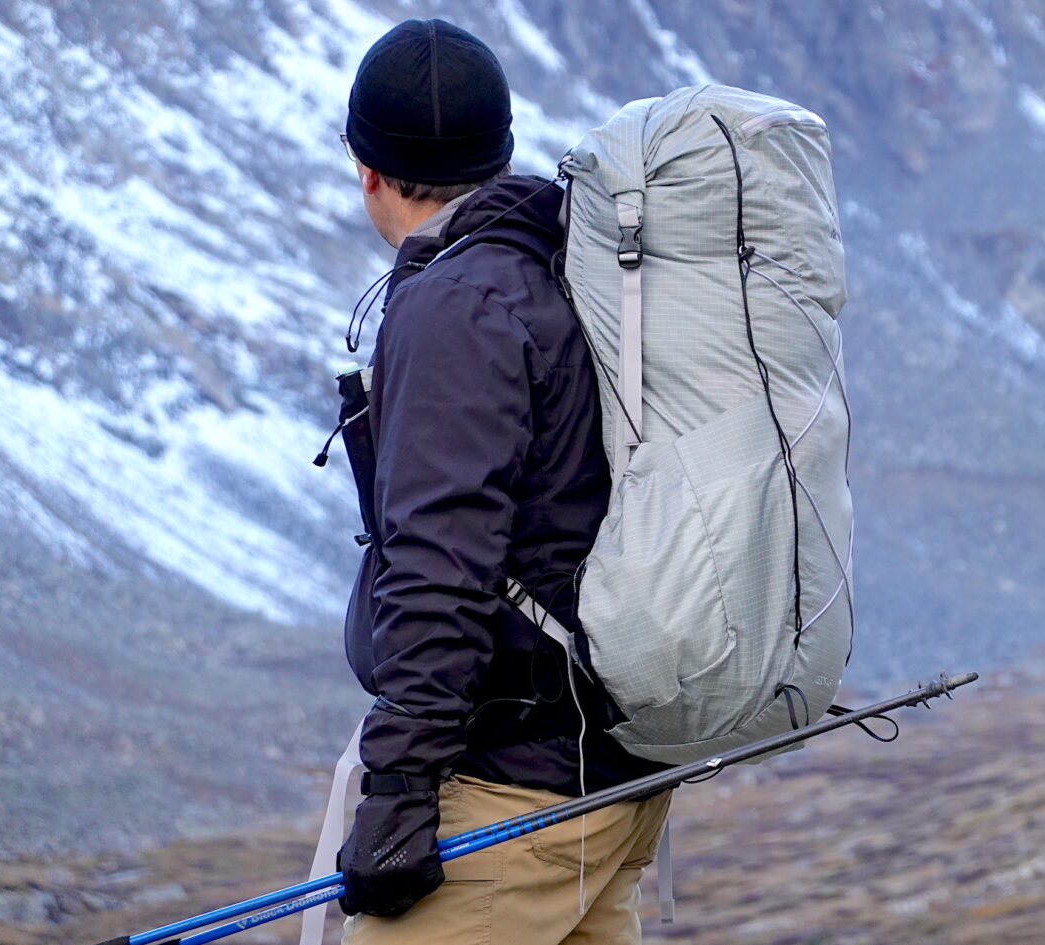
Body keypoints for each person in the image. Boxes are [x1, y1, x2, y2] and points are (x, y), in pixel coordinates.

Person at [333, 18, 669, 945]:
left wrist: (398, 793)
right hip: (603, 778)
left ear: (368, 168)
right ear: (500, 150)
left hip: (507, 801)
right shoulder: (563, 265)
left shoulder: (459, 305)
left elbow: (442, 565)